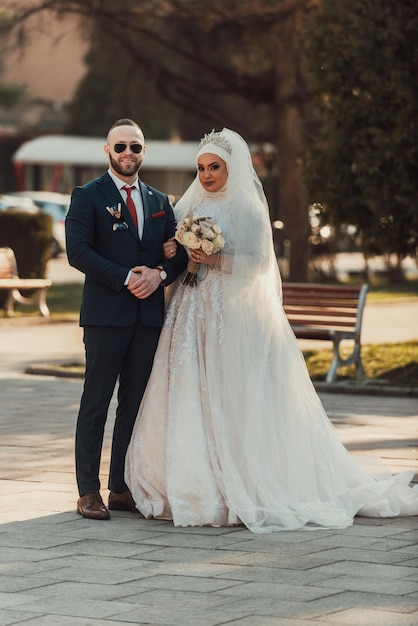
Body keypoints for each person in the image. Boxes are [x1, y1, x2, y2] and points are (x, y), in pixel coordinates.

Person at [125, 128, 418, 532]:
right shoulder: (188, 205)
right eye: (202, 168)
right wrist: (178, 253)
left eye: (215, 167)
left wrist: (215, 258)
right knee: (188, 387)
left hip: (231, 313)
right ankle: (187, 481)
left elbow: (259, 263)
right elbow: (173, 256)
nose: (207, 175)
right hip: (191, 310)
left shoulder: (246, 209)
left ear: (232, 168)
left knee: (233, 393)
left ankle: (240, 480)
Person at [65, 118, 188, 520]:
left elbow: (178, 254)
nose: (128, 154)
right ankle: (87, 492)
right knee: (96, 403)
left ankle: (120, 487)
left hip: (148, 319)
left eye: (135, 147)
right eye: (120, 147)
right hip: (105, 317)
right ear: (108, 151)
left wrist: (161, 274)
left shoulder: (159, 202)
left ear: (144, 151)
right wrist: (124, 278)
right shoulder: (88, 196)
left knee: (133, 405)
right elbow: (78, 252)